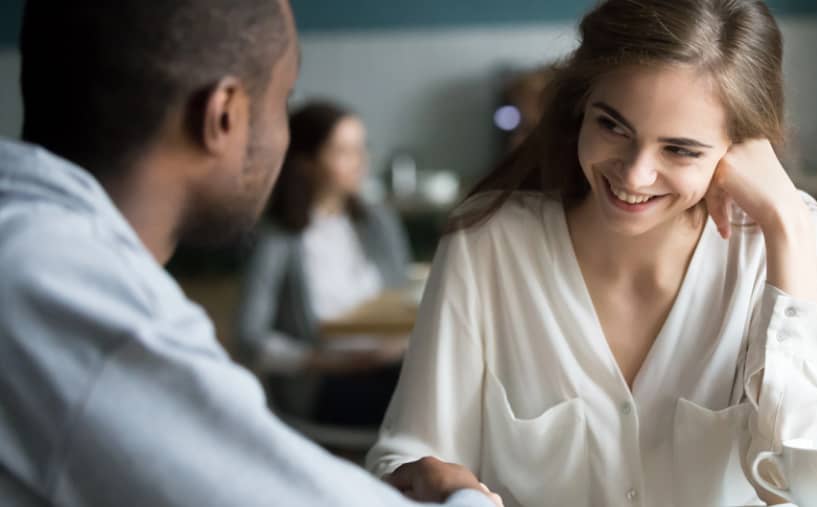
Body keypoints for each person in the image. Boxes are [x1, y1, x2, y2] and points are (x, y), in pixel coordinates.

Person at [0, 1, 499, 506]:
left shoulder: (28, 239)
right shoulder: (83, 304)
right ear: (223, 115)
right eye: (282, 102)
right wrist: (468, 496)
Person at [366, 0, 817, 506]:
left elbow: (813, 487)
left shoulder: (779, 239)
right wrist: (435, 486)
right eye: (613, 126)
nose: (635, 175)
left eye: (680, 149)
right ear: (581, 105)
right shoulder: (487, 244)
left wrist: (787, 225)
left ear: (741, 150)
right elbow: (407, 461)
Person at [236, 101, 411, 425]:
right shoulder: (277, 237)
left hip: (391, 366)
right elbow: (249, 338)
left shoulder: (377, 222)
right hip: (323, 382)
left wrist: (396, 347)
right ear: (305, 162)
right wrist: (328, 362)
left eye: (361, 149)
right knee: (425, 409)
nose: (360, 163)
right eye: (342, 152)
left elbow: (402, 302)